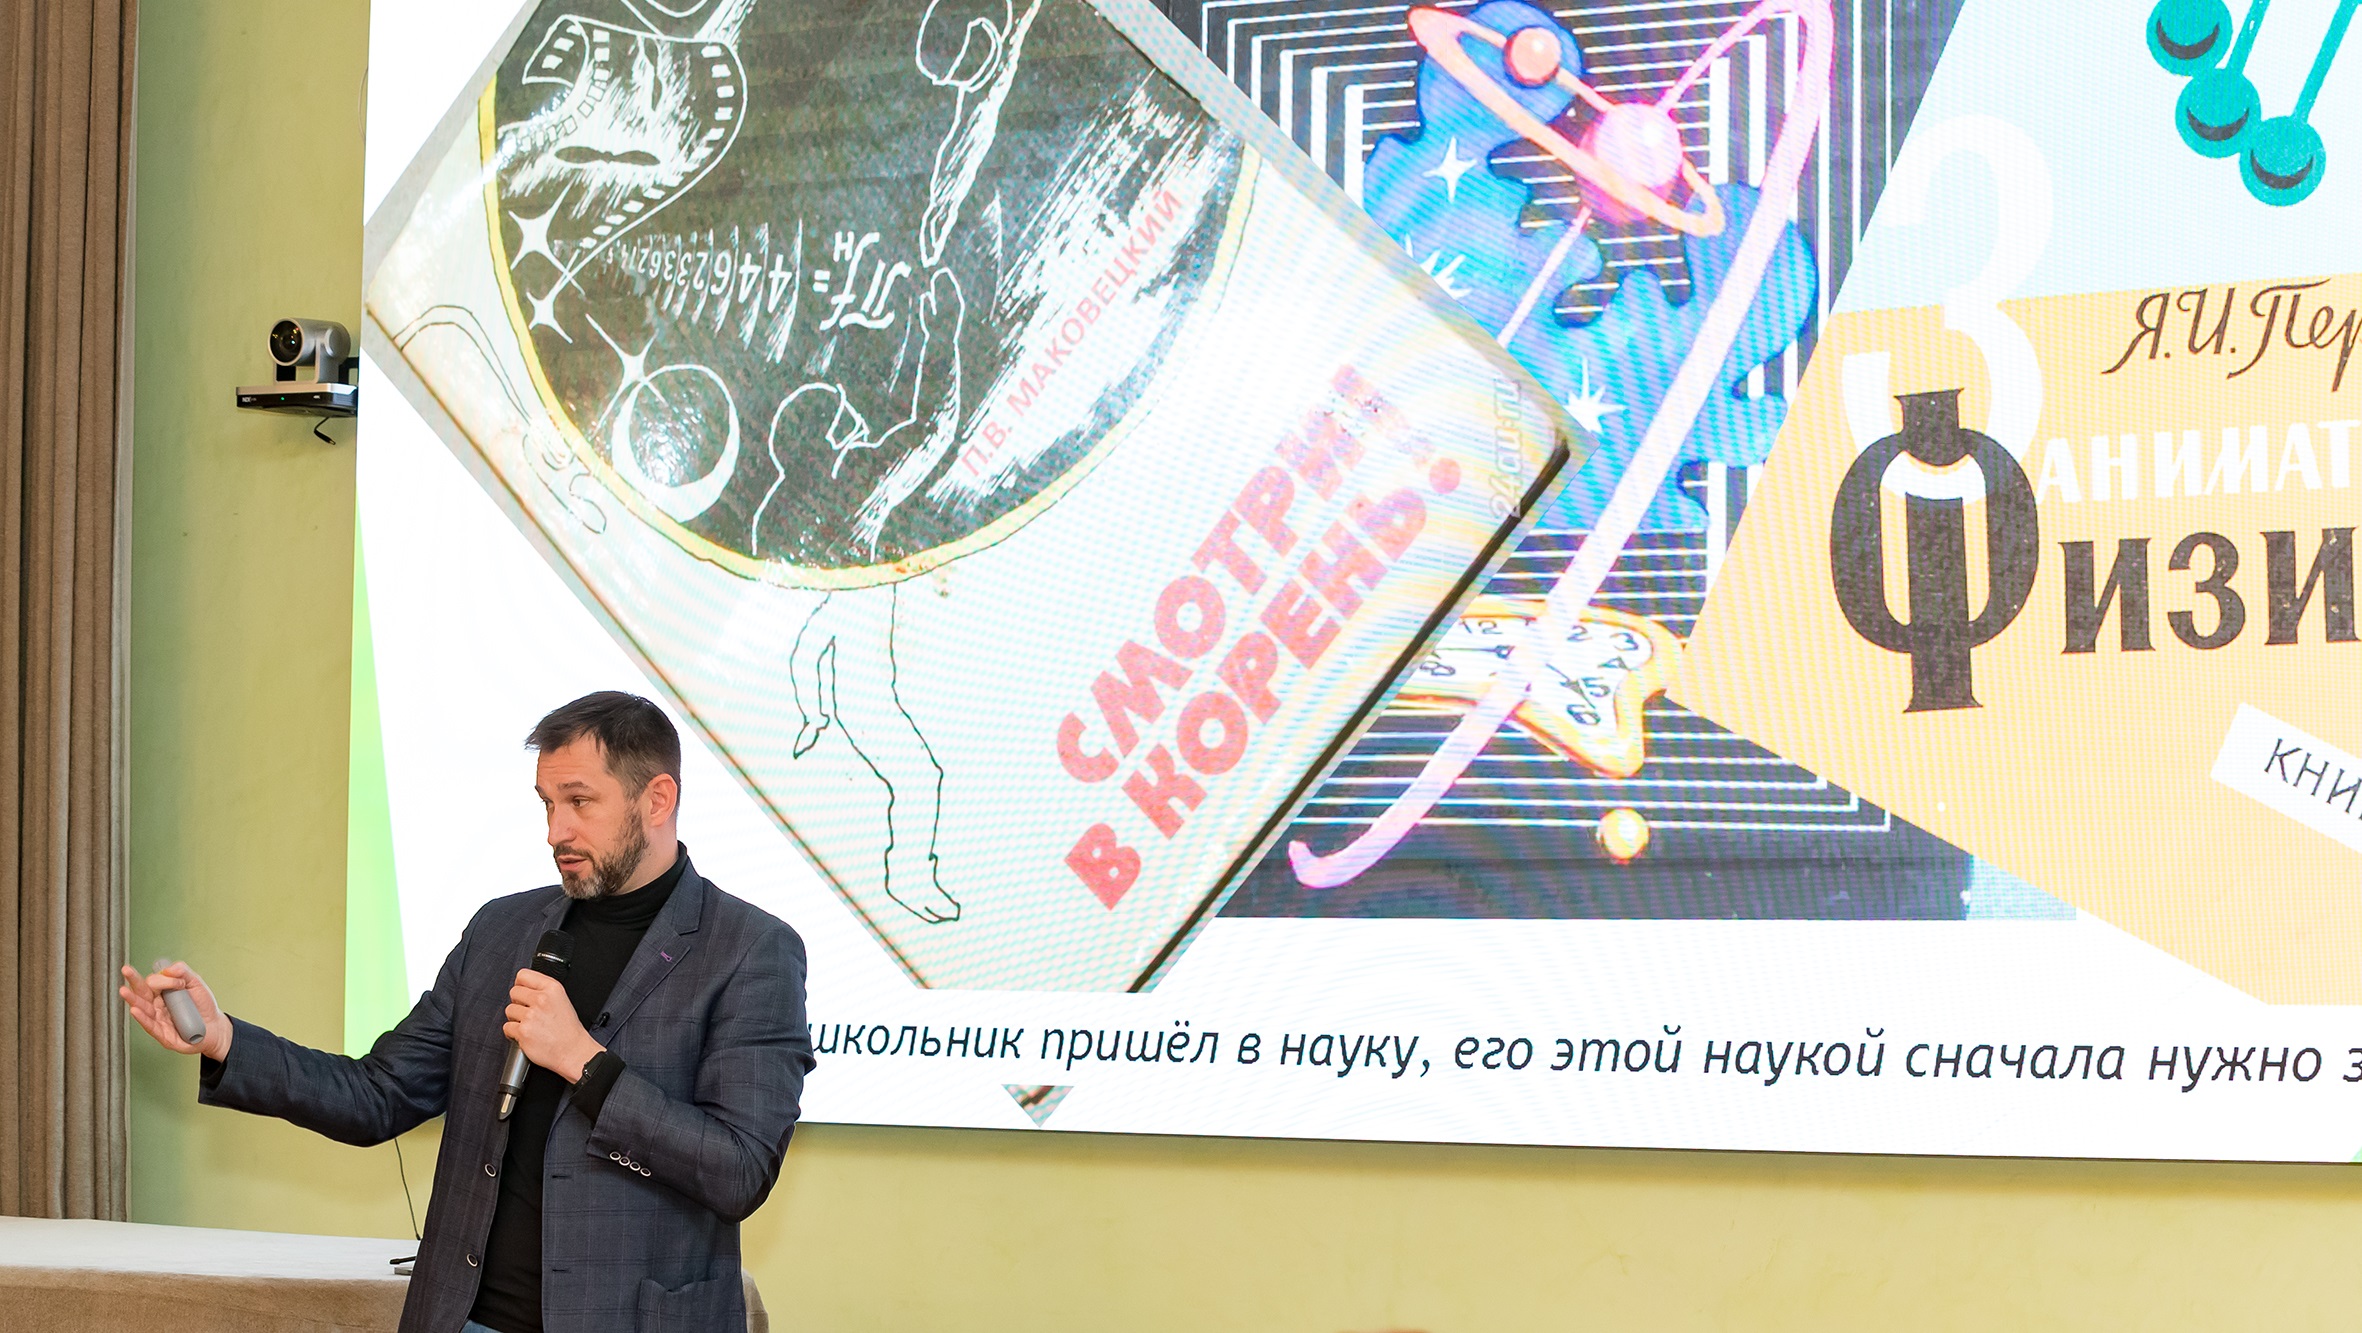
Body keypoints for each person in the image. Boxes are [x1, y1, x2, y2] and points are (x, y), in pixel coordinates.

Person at [117, 691, 815, 1333]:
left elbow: (739, 1170)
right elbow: (377, 1094)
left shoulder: (749, 949)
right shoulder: (502, 931)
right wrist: (226, 1041)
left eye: (580, 801)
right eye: (546, 804)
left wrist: (584, 1063)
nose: (557, 830)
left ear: (657, 799)